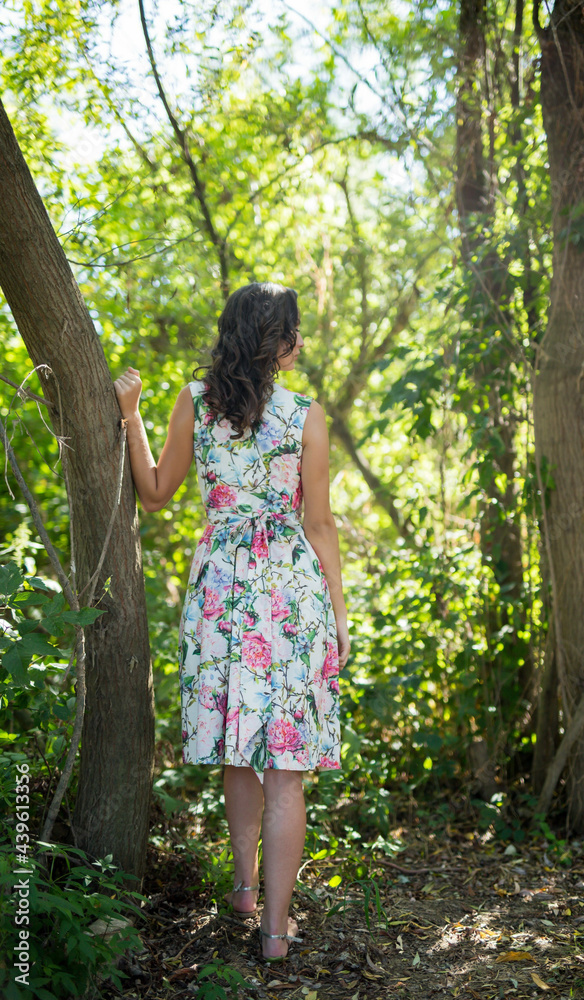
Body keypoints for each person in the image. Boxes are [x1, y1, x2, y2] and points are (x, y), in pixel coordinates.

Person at [113, 282, 350, 961]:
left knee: (236, 745)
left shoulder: (195, 400)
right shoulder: (306, 415)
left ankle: (245, 889)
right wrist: (338, 613)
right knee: (285, 769)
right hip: (290, 596)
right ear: (285, 345)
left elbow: (155, 493)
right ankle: (273, 931)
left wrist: (131, 413)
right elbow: (319, 523)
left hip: (219, 594)